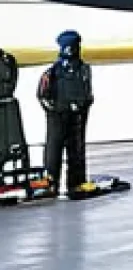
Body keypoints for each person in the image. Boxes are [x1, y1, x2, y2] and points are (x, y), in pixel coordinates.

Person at [37, 30, 93, 196]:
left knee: (76, 149)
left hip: (77, 115)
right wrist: (53, 110)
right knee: (54, 148)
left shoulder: (83, 69)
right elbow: (42, 94)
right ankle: (50, 182)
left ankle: (76, 182)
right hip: (58, 115)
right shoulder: (53, 72)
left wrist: (82, 106)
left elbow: (87, 92)